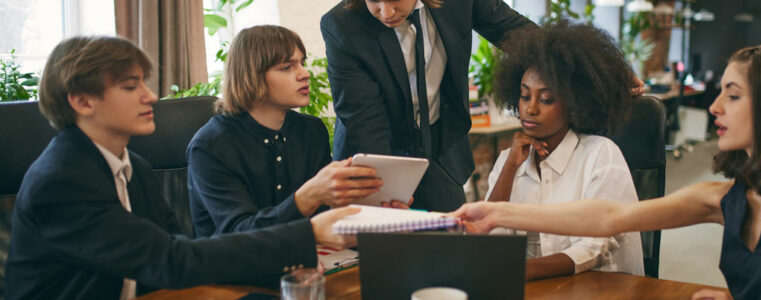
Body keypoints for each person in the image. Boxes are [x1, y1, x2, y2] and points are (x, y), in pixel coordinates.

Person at [453, 44, 761, 300]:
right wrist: (494, 213)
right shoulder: (725, 198)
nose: (714, 107)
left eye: (732, 95)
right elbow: (607, 217)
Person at [5, 36, 359, 300]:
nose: (151, 96)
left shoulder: (136, 169)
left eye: (144, 82)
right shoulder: (61, 181)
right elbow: (171, 260)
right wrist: (307, 233)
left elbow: (178, 249)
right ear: (82, 101)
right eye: (131, 86)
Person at [320, 0, 535, 212]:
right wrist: (383, 194)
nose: (385, 12)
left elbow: (518, 34)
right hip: (376, 157)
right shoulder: (343, 25)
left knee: (452, 239)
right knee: (383, 243)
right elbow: (365, 122)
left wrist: (564, 68)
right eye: (374, 0)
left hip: (440, 152)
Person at [187, 25, 384, 238]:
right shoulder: (210, 147)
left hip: (308, 258)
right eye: (286, 68)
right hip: (237, 268)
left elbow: (324, 215)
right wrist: (307, 197)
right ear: (251, 76)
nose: (305, 74)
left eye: (302, 63)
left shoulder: (310, 130)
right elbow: (239, 235)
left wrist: (377, 209)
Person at [484, 21, 643, 280]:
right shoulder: (509, 159)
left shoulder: (601, 155)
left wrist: (522, 271)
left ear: (574, 103)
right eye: (525, 96)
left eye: (546, 99)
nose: (530, 109)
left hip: (600, 290)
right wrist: (510, 168)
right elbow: (489, 237)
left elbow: (596, 245)